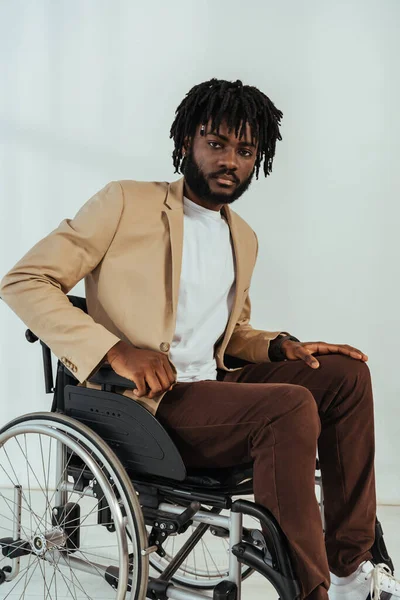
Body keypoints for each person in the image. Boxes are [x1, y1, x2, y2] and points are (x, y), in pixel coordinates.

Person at [0, 78, 398, 600]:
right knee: (289, 407)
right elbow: (24, 280)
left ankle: (351, 571)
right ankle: (308, 590)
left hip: (212, 390)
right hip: (143, 405)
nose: (230, 160)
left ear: (259, 159)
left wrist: (279, 346)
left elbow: (231, 336)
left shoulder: (243, 236)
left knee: (346, 376)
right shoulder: (126, 203)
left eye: (245, 150)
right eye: (216, 144)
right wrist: (114, 350)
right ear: (187, 140)